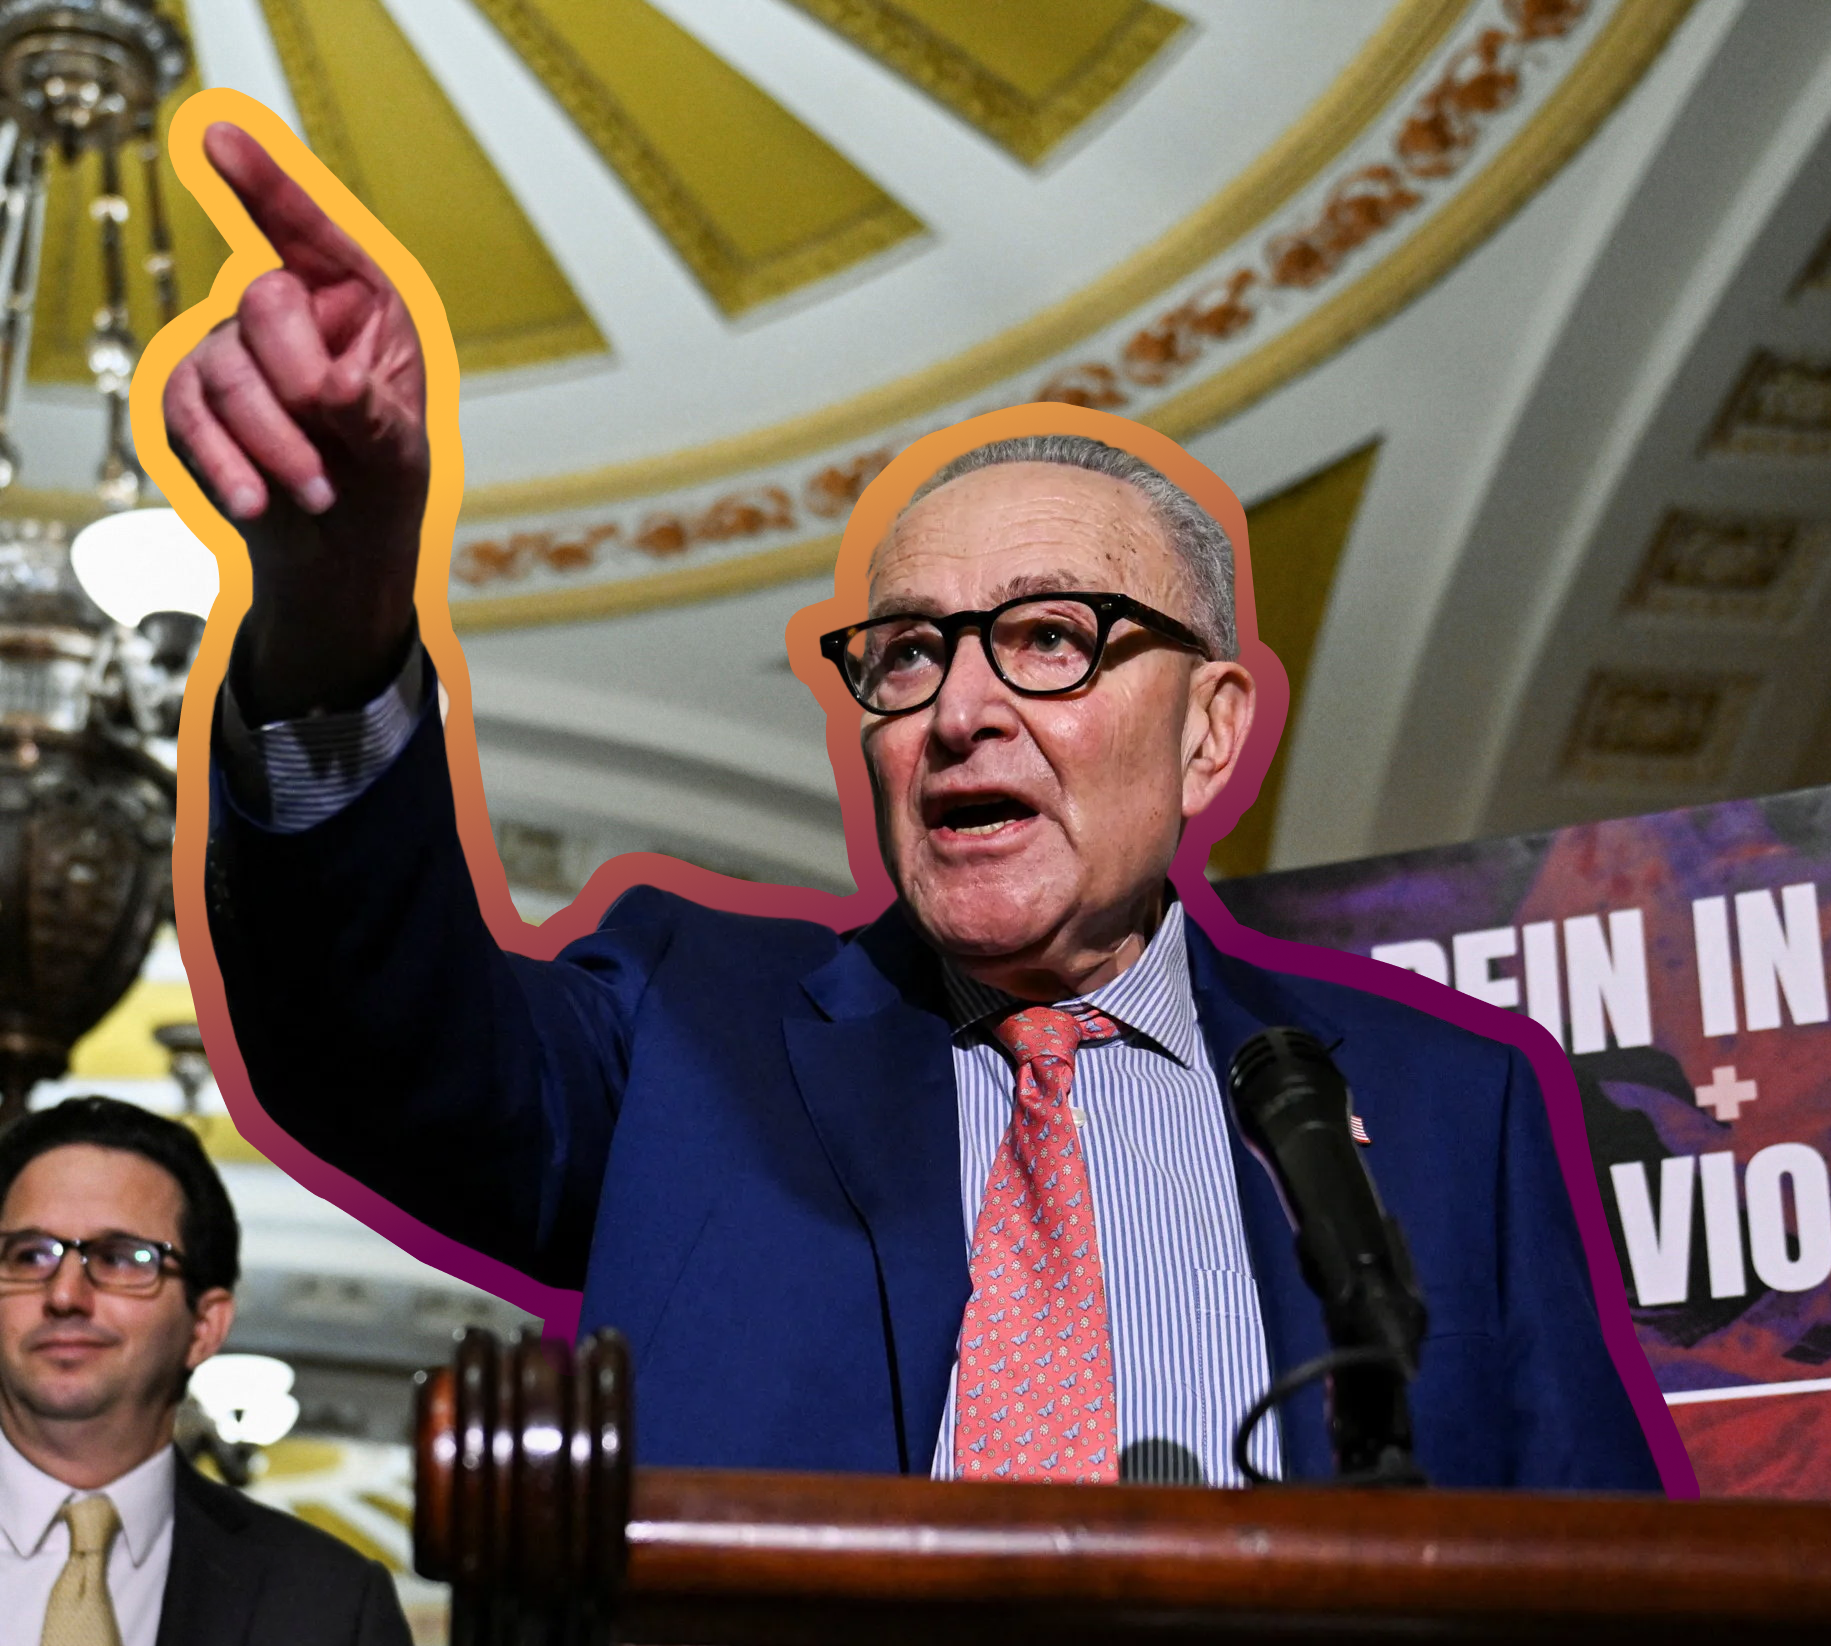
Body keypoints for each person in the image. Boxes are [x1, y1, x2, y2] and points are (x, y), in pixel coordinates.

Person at [171, 119, 1664, 1491]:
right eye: (907, 653)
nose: (958, 711)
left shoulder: (1442, 1110)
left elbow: (1608, 1580)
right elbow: (369, 1050)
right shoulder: (688, 1033)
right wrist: (336, 608)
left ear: (1209, 734)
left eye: (1049, 638)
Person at [0, 1097, 410, 1644]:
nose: (66, 1294)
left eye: (123, 1258)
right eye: (29, 1256)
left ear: (204, 1327)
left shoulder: (329, 1603)